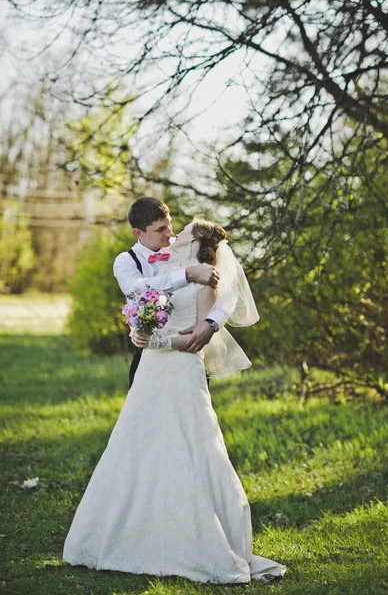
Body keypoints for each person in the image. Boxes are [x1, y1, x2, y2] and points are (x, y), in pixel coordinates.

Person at [62, 217, 287, 585]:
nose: (173, 234)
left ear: (196, 240)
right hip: (151, 371)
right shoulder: (156, 265)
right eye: (166, 229)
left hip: (180, 373)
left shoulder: (208, 279)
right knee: (137, 444)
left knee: (189, 447)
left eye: (180, 231)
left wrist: (161, 340)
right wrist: (140, 330)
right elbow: (143, 297)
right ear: (141, 232)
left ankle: (192, 542)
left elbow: (196, 337)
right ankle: (127, 535)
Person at [113, 197, 231, 388]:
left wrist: (211, 323)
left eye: (169, 224)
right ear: (138, 233)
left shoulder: (187, 245)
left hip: (189, 352)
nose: (170, 233)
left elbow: (229, 291)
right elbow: (136, 288)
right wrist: (188, 274)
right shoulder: (125, 261)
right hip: (147, 355)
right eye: (160, 229)